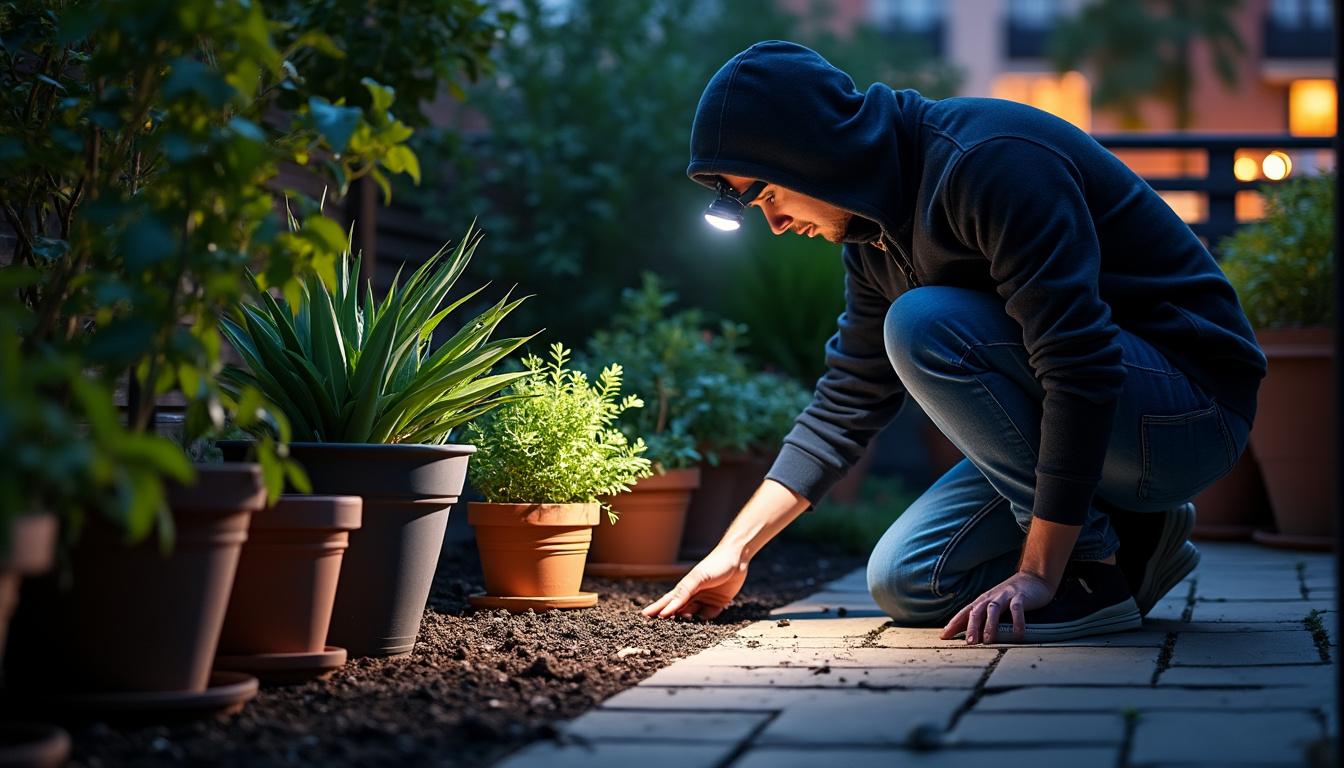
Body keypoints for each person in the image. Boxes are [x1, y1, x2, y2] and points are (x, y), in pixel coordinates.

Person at [642, 41, 1266, 644]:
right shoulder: (872, 238)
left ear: (812, 152)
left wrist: (1042, 572)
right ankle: (1140, 536)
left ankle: (1093, 576)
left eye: (768, 194)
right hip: (1103, 431)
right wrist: (732, 550)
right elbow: (848, 399)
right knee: (908, 582)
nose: (775, 224)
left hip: (1190, 410)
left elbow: (1081, 363)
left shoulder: (986, 160)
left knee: (921, 324)